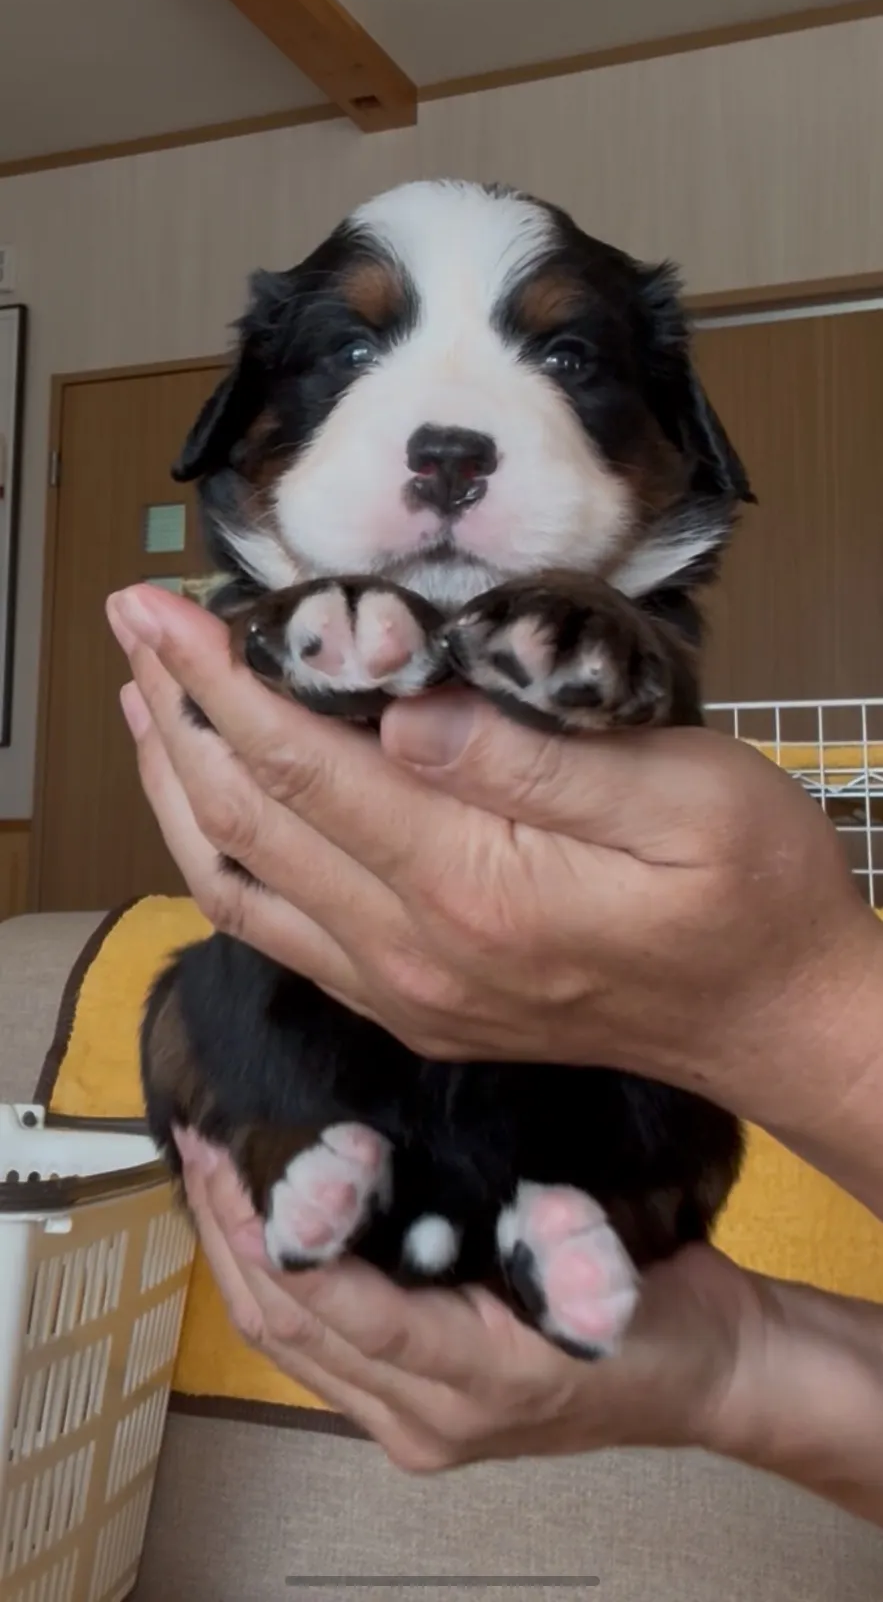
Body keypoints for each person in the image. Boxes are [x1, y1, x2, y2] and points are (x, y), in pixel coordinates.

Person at [107, 585, 883, 1523]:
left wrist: (787, 1002)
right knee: (193, 1009)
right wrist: (739, 1367)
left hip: (563, 1161)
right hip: (380, 1137)